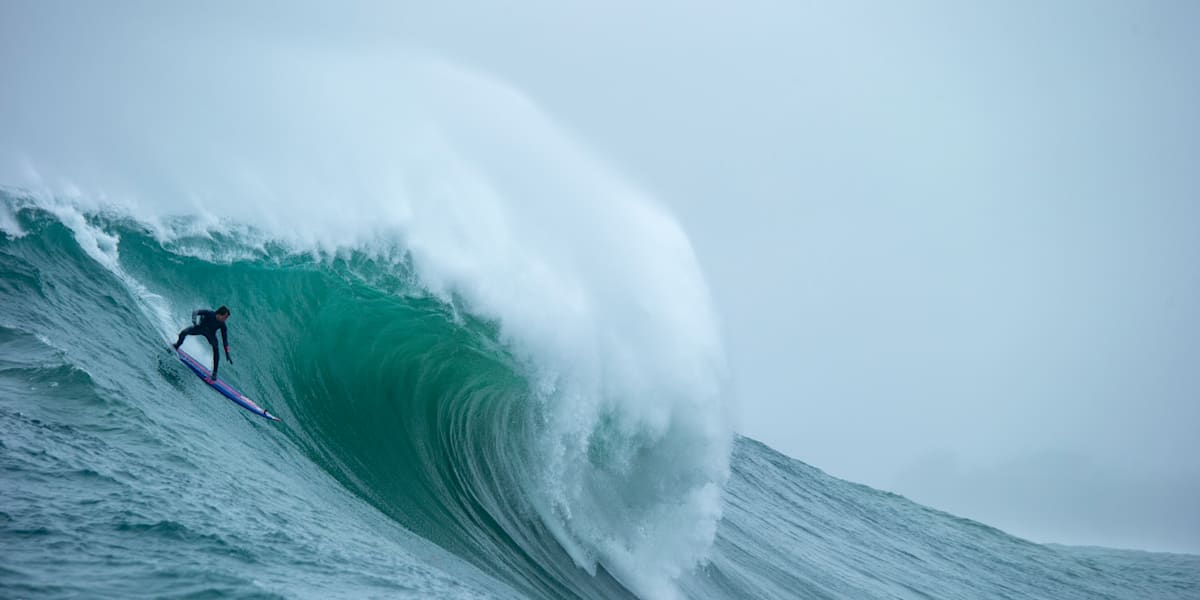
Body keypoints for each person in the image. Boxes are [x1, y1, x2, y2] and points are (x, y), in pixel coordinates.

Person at [174, 305, 233, 382]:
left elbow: (225, 340)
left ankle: (214, 373)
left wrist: (227, 353)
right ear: (219, 314)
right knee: (183, 333)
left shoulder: (222, 324)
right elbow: (196, 312)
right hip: (200, 328)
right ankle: (177, 346)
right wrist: (194, 320)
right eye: (225, 317)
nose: (225, 320)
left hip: (210, 334)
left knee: (216, 349)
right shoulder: (210, 313)